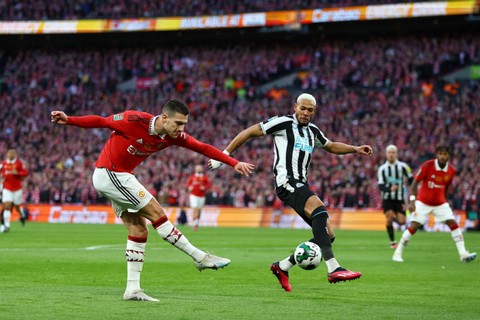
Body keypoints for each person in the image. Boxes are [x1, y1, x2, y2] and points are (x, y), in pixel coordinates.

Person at [51, 99, 255, 301]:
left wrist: (233, 162)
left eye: (184, 124)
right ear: (164, 118)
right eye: (178, 123)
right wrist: (69, 119)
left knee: (139, 229)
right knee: (157, 213)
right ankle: (200, 257)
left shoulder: (173, 136)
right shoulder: (134, 120)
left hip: (118, 177)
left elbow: (203, 147)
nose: (181, 128)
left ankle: (132, 289)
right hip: (111, 172)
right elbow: (102, 121)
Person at [209, 93, 372, 291]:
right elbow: (249, 132)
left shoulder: (313, 131)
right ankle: (334, 268)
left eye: (310, 110)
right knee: (319, 210)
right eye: (302, 108)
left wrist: (355, 149)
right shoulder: (283, 123)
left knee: (328, 234)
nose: (305, 113)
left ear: (314, 112)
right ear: (295, 107)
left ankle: (283, 266)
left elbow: (330, 146)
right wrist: (223, 156)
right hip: (286, 182)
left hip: (301, 183)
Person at [392, 146, 477, 263]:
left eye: (445, 154)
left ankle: (463, 254)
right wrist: (412, 201)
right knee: (414, 226)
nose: (443, 156)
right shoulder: (427, 165)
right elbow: (414, 183)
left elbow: (446, 187)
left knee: (453, 223)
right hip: (423, 201)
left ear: (449, 156)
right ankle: (397, 253)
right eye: (441, 154)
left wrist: (445, 201)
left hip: (440, 203)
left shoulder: (452, 171)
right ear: (437, 155)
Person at [377, 145, 413, 248]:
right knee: (389, 219)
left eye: (393, 152)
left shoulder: (404, 167)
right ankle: (393, 242)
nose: (391, 154)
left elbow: (411, 180)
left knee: (402, 221)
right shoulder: (382, 169)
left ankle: (401, 233)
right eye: (389, 152)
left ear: (396, 154)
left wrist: (413, 196)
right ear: (386, 154)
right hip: (387, 198)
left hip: (400, 198)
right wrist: (389, 189)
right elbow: (381, 185)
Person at [1, 149, 29, 233]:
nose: (10, 155)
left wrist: (17, 173)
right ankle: (6, 226)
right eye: (9, 153)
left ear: (15, 155)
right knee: (7, 205)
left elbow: (25, 173)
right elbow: (2, 173)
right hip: (7, 188)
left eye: (12, 153)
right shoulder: (4, 164)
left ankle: (22, 215)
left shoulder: (19, 164)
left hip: (17, 189)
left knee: (17, 206)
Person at [185, 164, 212, 231]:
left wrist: (204, 187)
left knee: (199, 210)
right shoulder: (192, 177)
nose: (199, 169)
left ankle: (196, 223)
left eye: (200, 168)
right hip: (193, 195)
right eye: (198, 168)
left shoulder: (204, 177)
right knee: (195, 209)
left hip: (201, 196)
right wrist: (189, 187)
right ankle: (195, 224)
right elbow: (187, 184)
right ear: (196, 169)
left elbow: (209, 185)